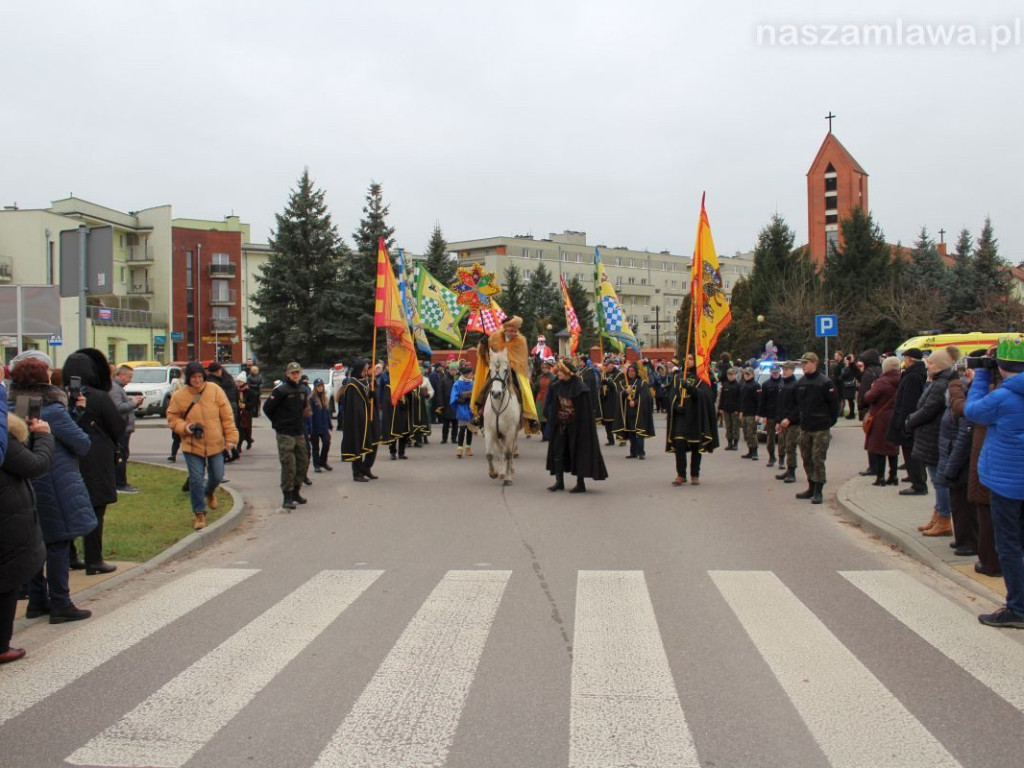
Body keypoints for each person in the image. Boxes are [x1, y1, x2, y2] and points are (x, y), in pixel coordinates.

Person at [8, 355, 96, 624]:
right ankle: (61, 602)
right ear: (42, 378)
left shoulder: (11, 409)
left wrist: (74, 413)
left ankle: (37, 600)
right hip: (55, 482)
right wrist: (74, 419)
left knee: (34, 543)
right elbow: (81, 443)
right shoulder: (53, 410)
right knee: (57, 543)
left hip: (24, 484)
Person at [963, 335, 1024, 628]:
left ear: (1000, 365)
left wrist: (982, 375)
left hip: (1007, 483)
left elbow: (972, 410)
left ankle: (1018, 608)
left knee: (1009, 546)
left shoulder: (1002, 398)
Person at [61, 349, 124, 575]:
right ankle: (94, 559)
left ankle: (70, 555)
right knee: (95, 509)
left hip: (67, 459)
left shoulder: (59, 396)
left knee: (67, 507)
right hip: (96, 459)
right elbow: (118, 426)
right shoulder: (99, 397)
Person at [0, 409, 53, 662]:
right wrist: (44, 437)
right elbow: (35, 465)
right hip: (8, 518)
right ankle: (1, 646)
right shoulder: (4, 437)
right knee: (7, 582)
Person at [167, 361, 239, 528]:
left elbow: (227, 416)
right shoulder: (179, 396)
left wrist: (231, 438)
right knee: (196, 479)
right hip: (192, 444)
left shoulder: (215, 390)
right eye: (194, 377)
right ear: (188, 378)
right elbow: (172, 418)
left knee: (217, 476)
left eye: (200, 376)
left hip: (215, 442)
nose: (197, 380)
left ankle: (209, 491)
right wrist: (185, 427)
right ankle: (199, 513)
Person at [905, 349, 954, 536]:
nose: (928, 366)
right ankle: (938, 515)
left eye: (931, 363)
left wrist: (911, 420)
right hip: (931, 435)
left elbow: (929, 408)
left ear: (941, 365)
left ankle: (944, 518)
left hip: (934, 436)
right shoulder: (937, 382)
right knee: (936, 479)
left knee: (939, 481)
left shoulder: (941, 385)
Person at [470, 316, 541, 435]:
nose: (514, 333)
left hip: (514, 370)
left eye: (515, 331)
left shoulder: (521, 341)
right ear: (505, 329)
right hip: (497, 369)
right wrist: (483, 345)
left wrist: (510, 365)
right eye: (511, 331)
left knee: (523, 388)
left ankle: (530, 417)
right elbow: (486, 357)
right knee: (486, 385)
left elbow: (521, 359)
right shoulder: (494, 339)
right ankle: (479, 413)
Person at [545, 359, 608, 493]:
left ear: (567, 373)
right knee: (558, 451)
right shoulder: (557, 386)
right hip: (561, 424)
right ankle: (559, 482)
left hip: (577, 426)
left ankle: (580, 483)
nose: (558, 373)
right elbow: (555, 405)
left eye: (560, 371)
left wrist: (577, 422)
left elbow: (584, 412)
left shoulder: (580, 388)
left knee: (578, 452)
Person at [785, 352, 838, 504]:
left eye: (806, 363)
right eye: (802, 363)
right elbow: (797, 405)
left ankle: (818, 491)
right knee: (806, 457)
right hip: (805, 427)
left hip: (820, 427)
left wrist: (829, 422)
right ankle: (811, 487)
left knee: (818, 458)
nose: (803, 366)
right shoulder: (800, 383)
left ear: (814, 363)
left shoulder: (825, 382)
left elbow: (834, 405)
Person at [262, 362, 310, 510]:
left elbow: (303, 408)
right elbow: (267, 408)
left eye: (297, 372)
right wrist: (278, 423)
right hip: (285, 433)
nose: (295, 375)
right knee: (288, 465)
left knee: (303, 462)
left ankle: (296, 492)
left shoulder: (303, 389)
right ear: (288, 374)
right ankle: (287, 496)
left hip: (299, 431)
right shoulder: (281, 390)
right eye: (293, 373)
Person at [666, 354, 719, 486]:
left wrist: (691, 388)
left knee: (696, 446)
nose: (688, 361)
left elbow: (706, 397)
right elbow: (671, 395)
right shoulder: (677, 377)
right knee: (679, 444)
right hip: (681, 417)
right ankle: (681, 475)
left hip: (695, 417)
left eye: (691, 359)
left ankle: (695, 474)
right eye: (687, 359)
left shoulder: (701, 378)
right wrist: (675, 406)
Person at [887, 348, 928, 495]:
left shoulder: (912, 377)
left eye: (905, 358)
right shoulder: (916, 373)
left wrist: (903, 422)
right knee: (912, 452)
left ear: (910, 359)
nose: (904, 361)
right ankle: (916, 478)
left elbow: (908, 402)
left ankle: (918, 484)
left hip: (908, 421)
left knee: (911, 453)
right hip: (911, 419)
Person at [862, 356, 901, 486]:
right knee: (893, 447)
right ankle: (893, 476)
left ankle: (880, 477)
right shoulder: (902, 379)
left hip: (880, 418)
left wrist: (870, 389)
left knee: (879, 448)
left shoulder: (882, 382)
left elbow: (869, 397)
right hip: (895, 416)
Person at [339, 359, 380, 482]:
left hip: (369, 417)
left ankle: (366, 468)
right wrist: (363, 416)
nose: (366, 371)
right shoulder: (352, 384)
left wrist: (372, 394)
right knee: (358, 443)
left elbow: (371, 399)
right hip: (358, 420)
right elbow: (355, 405)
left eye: (367, 369)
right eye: (364, 369)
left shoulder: (367, 381)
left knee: (374, 442)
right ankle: (356, 473)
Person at [110, 365, 144, 493]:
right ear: (122, 375)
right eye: (129, 377)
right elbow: (118, 407)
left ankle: (121, 482)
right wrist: (133, 403)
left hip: (123, 427)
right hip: (121, 427)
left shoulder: (118, 388)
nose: (130, 380)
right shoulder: (115, 388)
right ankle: (120, 484)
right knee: (121, 455)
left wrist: (132, 401)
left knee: (123, 454)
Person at [617, 362, 655, 459]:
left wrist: (636, 402)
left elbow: (645, 396)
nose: (631, 372)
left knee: (639, 433)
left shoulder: (641, 383)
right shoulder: (623, 383)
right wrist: (625, 392)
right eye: (629, 371)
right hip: (628, 412)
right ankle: (633, 452)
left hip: (638, 411)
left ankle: (641, 452)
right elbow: (619, 395)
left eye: (633, 371)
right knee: (631, 433)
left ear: (636, 372)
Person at [774, 361, 801, 483]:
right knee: (784, 445)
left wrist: (789, 419)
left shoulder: (796, 385)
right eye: (783, 369)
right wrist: (778, 421)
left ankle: (792, 472)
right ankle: (788, 469)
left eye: (786, 369)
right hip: (783, 422)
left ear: (792, 370)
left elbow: (799, 406)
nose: (784, 371)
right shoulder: (782, 384)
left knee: (791, 447)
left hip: (793, 423)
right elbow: (780, 405)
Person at [598, 355, 625, 446]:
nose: (608, 366)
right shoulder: (604, 374)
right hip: (606, 400)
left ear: (613, 365)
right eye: (607, 365)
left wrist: (609, 383)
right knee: (607, 422)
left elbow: (618, 386)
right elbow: (601, 386)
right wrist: (602, 390)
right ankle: (610, 440)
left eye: (609, 365)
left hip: (614, 400)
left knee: (616, 420)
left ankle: (621, 439)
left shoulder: (619, 374)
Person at [450, 361, 475, 458]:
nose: (472, 376)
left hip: (470, 408)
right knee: (463, 428)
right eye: (471, 374)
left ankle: (468, 448)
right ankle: (459, 449)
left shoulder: (473, 383)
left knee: (470, 429)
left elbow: (476, 395)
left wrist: (472, 399)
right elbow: (454, 396)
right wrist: (461, 399)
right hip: (461, 407)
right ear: (466, 374)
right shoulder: (457, 383)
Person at [308, 378, 334, 472]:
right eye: (318, 386)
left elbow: (326, 413)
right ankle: (316, 465)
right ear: (315, 387)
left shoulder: (324, 398)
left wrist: (329, 424)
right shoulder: (311, 399)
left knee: (327, 443)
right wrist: (309, 428)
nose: (320, 387)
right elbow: (309, 415)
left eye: (321, 385)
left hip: (323, 426)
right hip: (314, 427)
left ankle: (323, 461)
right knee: (315, 448)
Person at [760, 365, 782, 468]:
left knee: (782, 439)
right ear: (770, 372)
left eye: (776, 372)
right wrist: (763, 415)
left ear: (779, 371)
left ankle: (781, 459)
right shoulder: (766, 384)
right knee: (770, 438)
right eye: (773, 372)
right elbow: (762, 401)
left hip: (782, 415)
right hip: (770, 414)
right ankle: (771, 457)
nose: (775, 373)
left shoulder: (784, 383)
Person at [738, 367, 761, 460]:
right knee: (746, 433)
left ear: (752, 375)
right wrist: (741, 411)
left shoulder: (756, 385)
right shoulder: (743, 385)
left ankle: (755, 452)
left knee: (752, 433)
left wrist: (758, 414)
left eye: (748, 374)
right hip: (745, 412)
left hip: (752, 413)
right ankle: (750, 450)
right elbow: (741, 400)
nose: (746, 376)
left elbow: (759, 401)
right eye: (745, 374)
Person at [533, 359, 557, 442]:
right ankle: (544, 435)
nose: (544, 369)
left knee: (548, 418)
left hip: (549, 399)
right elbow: (536, 387)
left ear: (549, 368)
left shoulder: (553, 377)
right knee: (541, 418)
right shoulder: (539, 377)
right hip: (540, 399)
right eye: (543, 368)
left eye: (546, 368)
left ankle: (548, 435)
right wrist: (532, 385)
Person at [718, 368, 741, 450]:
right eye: (729, 375)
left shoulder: (738, 385)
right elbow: (722, 397)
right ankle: (729, 443)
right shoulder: (725, 385)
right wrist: (720, 407)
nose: (730, 376)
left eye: (731, 374)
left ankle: (735, 443)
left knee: (735, 427)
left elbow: (740, 399)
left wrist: (738, 409)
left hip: (735, 410)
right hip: (726, 409)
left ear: (735, 375)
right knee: (728, 427)